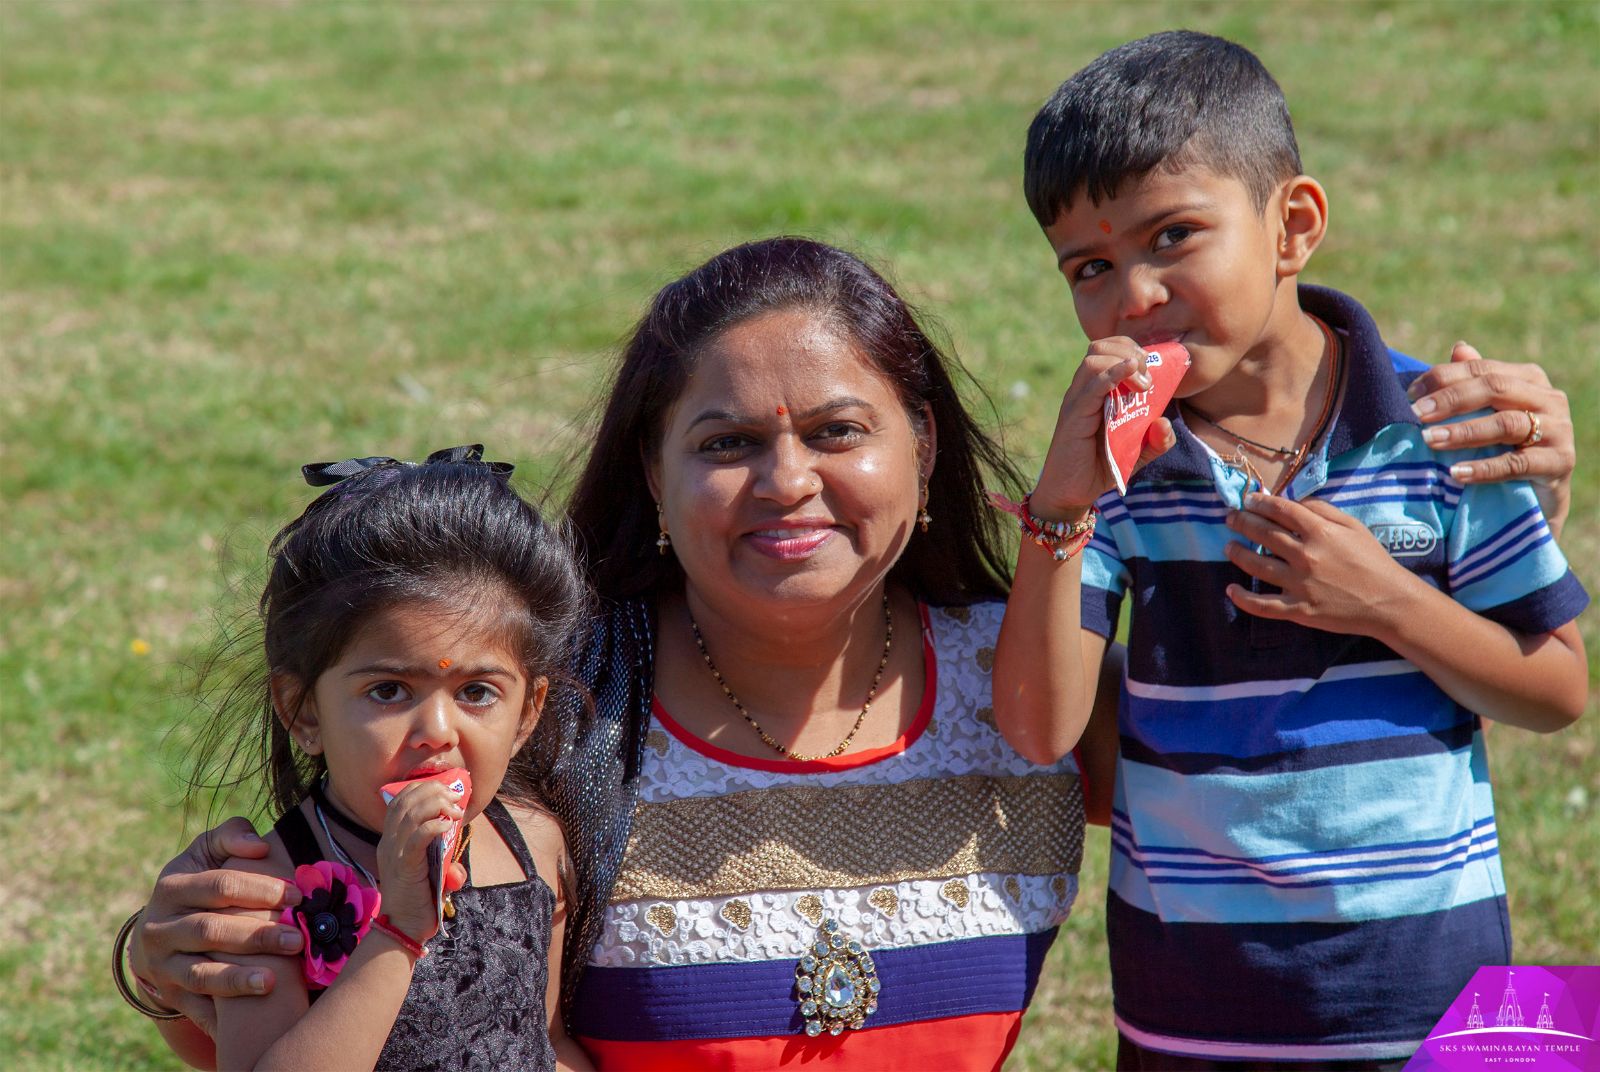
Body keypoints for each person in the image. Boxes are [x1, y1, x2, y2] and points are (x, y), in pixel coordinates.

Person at [124, 239, 1087, 1071]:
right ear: (652, 476)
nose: (789, 480)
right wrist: (173, 968)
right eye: (728, 442)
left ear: (921, 444)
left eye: (838, 431)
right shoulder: (542, 701)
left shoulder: (1034, 683)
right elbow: (323, 1002)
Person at [996, 30, 1591, 1071]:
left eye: (1173, 236)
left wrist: (1387, 602)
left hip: (1435, 1001)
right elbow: (1040, 728)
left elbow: (1554, 689)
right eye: (1090, 267)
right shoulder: (1114, 471)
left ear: (1292, 225)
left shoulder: (1443, 425)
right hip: (1190, 1012)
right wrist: (1061, 501)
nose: (1132, 295)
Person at [143, 446, 593, 1070]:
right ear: (303, 710)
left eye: (477, 692)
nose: (437, 731)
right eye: (388, 691)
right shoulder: (267, 891)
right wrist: (399, 930)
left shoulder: (534, 844)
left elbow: (549, 1042)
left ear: (527, 714)